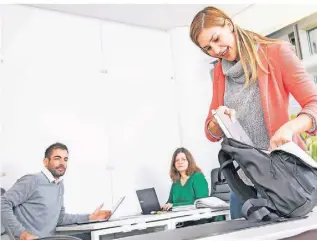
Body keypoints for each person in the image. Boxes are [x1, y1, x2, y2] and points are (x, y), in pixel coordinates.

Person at [190, 6, 317, 219]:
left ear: (228, 25)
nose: (216, 50)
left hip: (282, 180)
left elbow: (314, 102)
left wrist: (290, 127)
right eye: (207, 48)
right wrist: (218, 119)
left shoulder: (275, 53)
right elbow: (210, 133)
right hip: (244, 185)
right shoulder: (221, 74)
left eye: (216, 39)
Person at [1, 142, 111, 240]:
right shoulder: (32, 180)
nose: (62, 163)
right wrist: (21, 233)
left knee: (92, 236)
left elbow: (60, 218)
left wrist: (90, 217)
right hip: (33, 239)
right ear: (45, 162)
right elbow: (3, 203)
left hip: (49, 238)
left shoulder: (59, 185)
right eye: (57, 158)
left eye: (65, 159)